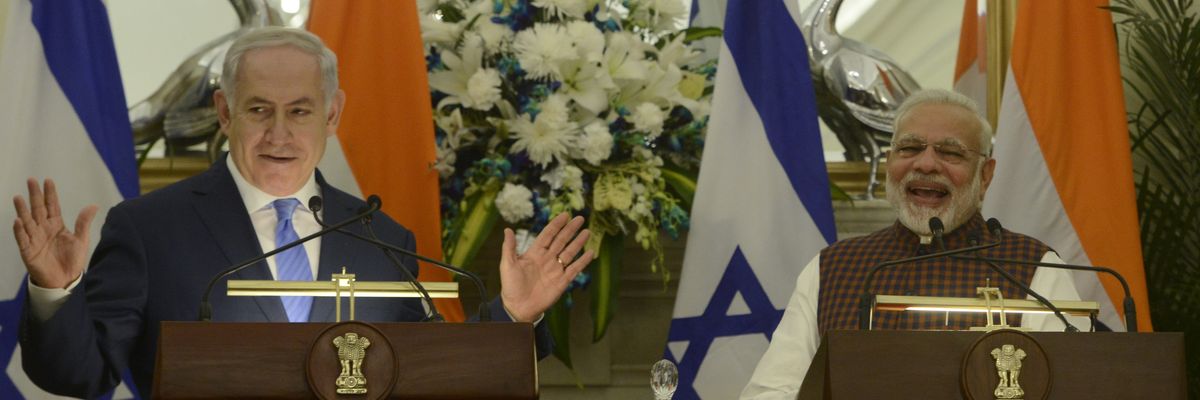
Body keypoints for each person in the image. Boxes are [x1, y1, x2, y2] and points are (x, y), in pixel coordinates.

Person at [11, 27, 593, 399]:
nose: (279, 134)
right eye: (259, 109)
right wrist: (55, 293)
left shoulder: (381, 236)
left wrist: (513, 316)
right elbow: (79, 376)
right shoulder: (148, 230)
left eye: (301, 110)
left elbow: (432, 375)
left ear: (333, 113)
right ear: (223, 111)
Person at [739, 89, 1090, 399]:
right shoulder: (832, 267)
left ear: (985, 175)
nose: (925, 164)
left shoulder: (1035, 267)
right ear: (891, 161)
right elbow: (770, 391)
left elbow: (1075, 388)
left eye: (950, 153)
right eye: (909, 148)